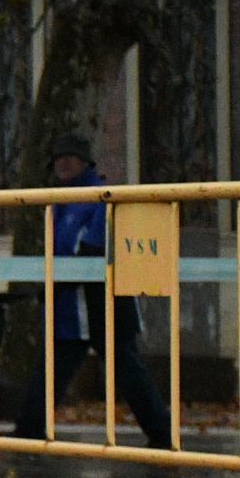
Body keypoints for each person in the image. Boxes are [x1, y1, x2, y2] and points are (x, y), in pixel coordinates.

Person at [12, 132, 174, 448]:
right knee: (53, 369)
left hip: (103, 302)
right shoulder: (58, 202)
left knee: (127, 370)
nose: (62, 163)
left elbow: (94, 249)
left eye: (69, 157)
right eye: (58, 158)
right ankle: (28, 431)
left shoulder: (102, 196)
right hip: (69, 306)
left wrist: (57, 284)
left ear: (85, 161)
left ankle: (163, 435)